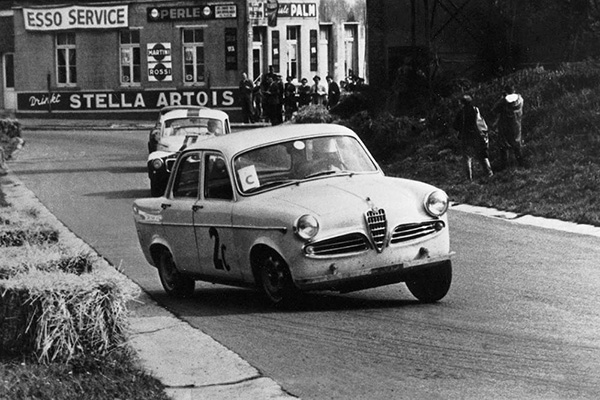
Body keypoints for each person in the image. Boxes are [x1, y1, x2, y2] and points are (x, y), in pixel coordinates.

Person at [452, 94, 493, 181]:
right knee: (482, 155)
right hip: (477, 135)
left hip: (466, 137)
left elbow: (455, 125)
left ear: (462, 103)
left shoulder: (461, 112)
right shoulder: (475, 109)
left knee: (467, 157)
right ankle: (489, 174)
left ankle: (469, 178)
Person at [492, 84, 525, 168]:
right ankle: (521, 164)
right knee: (517, 144)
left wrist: (502, 98)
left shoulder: (503, 101)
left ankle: (505, 167)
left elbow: (494, 110)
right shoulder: (520, 99)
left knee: (503, 146)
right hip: (516, 124)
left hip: (505, 126)